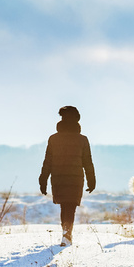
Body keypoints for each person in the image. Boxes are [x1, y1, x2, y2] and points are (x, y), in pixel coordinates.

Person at [39, 105, 96, 246]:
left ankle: (65, 231)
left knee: (64, 205)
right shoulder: (82, 139)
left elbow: (48, 161)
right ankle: (67, 232)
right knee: (70, 206)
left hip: (58, 177)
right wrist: (91, 180)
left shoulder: (53, 139)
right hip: (76, 178)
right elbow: (87, 162)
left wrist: (43, 179)